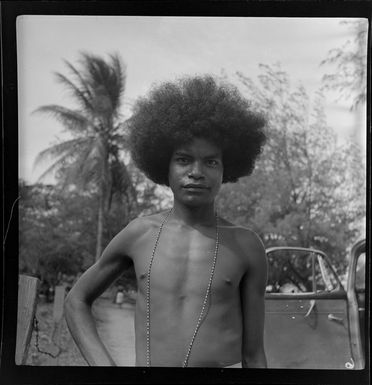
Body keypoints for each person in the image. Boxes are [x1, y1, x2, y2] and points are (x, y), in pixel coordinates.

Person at [65, 75, 268, 368]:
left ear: (227, 169)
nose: (196, 172)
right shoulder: (139, 234)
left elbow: (253, 354)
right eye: (184, 160)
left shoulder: (246, 246)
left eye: (211, 162)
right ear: (165, 165)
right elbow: (76, 301)